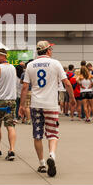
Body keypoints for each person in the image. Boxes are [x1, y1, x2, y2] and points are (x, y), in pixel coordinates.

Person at [20, 41, 75, 177]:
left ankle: (42, 163)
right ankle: (52, 155)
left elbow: (25, 87)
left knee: (37, 135)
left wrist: (21, 105)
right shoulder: (55, 63)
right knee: (53, 133)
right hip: (51, 104)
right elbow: (66, 83)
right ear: (48, 50)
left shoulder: (30, 65)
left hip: (36, 104)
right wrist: (72, 98)